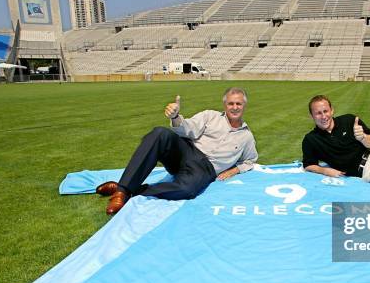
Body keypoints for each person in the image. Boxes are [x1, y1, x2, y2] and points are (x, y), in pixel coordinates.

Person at [96, 87, 258, 215]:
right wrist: (175, 117)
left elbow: (250, 160)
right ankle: (122, 192)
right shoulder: (210, 116)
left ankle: (129, 188)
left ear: (244, 106)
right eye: (231, 103)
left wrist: (235, 170)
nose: (235, 107)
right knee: (160, 133)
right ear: (225, 105)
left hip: (205, 169)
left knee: (186, 190)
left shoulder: (246, 136)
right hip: (187, 152)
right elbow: (187, 128)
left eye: (239, 104)